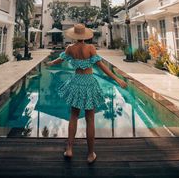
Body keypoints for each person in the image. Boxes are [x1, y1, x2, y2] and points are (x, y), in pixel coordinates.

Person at [46, 23, 127, 164]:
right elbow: (102, 67)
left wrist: (52, 63)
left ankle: (69, 149)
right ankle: (90, 154)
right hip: (89, 83)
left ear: (74, 35)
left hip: (76, 82)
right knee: (90, 120)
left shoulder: (70, 48)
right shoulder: (90, 48)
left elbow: (61, 59)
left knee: (73, 116)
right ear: (85, 35)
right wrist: (117, 79)